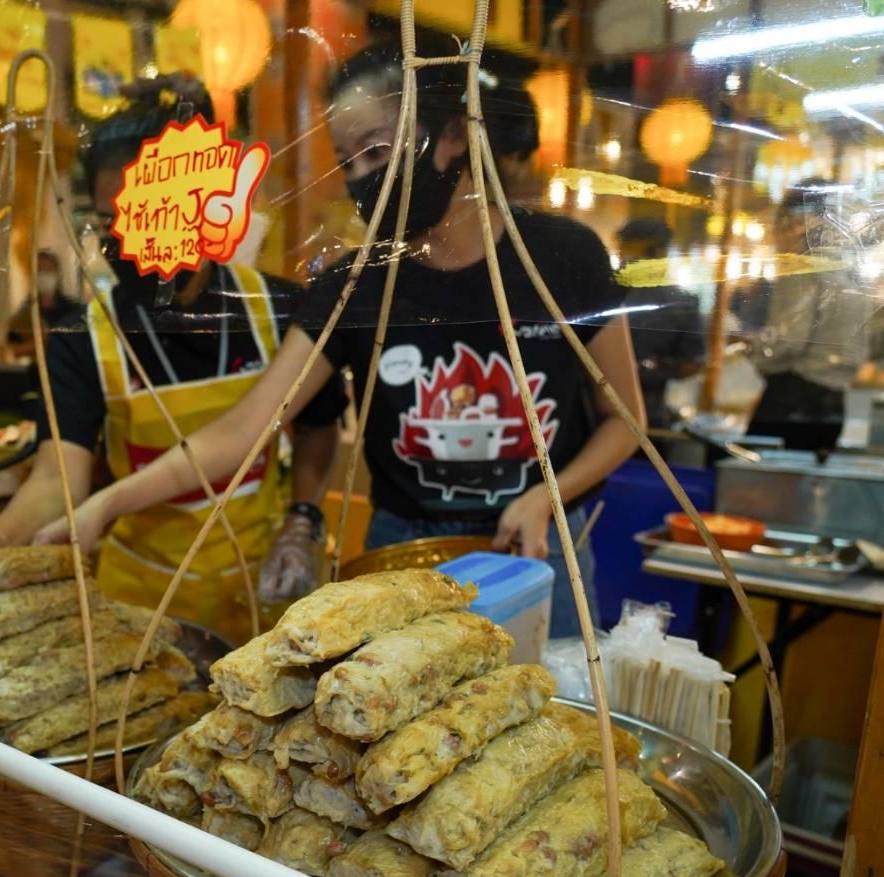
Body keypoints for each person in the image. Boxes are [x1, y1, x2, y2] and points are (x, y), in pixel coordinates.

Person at [37, 44, 645, 639]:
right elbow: (242, 431)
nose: (361, 177)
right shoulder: (354, 284)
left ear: (454, 136)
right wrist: (107, 503)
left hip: (543, 545)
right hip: (405, 551)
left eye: (375, 150)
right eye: (346, 160)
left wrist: (545, 496)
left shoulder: (565, 258)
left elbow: (625, 420)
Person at [0, 82, 346, 641]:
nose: (132, 242)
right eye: (114, 225)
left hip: (263, 590)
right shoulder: (81, 334)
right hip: (140, 603)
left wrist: (303, 520)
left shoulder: (278, 309)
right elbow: (55, 479)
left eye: (150, 216)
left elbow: (317, 424)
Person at [746, 180, 879, 439]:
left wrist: (751, 348)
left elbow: (788, 340)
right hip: (835, 400)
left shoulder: (804, 268)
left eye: (783, 218)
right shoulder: (851, 272)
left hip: (793, 396)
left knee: (758, 476)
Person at [615, 219, 705, 429]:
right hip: (650, 414)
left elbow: (692, 364)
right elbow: (692, 364)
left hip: (602, 410)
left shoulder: (603, 296)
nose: (624, 257)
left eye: (627, 249)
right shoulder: (681, 302)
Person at [7, 250, 79, 356]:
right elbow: (11, 352)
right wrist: (39, 340)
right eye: (39, 271)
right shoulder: (23, 315)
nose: (44, 275)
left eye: (48, 270)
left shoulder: (72, 310)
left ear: (57, 274)